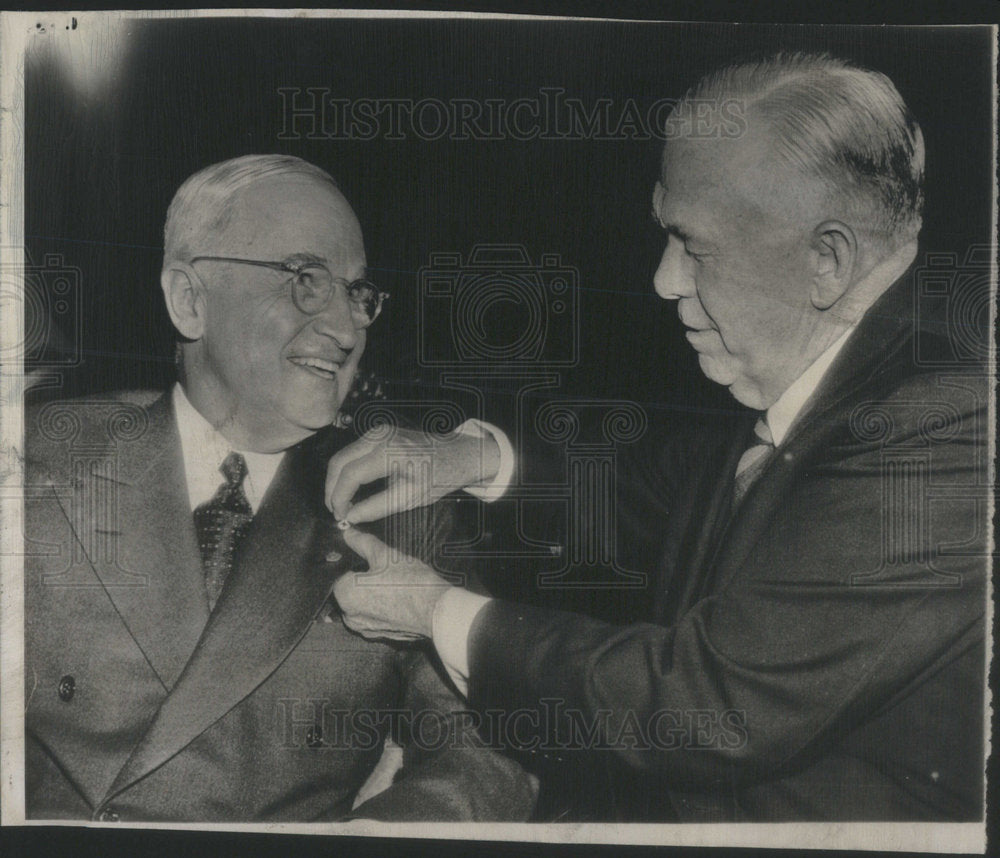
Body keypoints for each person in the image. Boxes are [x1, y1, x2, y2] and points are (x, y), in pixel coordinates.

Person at [326, 54, 988, 821]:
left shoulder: (944, 423)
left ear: (826, 261)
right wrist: (475, 458)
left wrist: (435, 610)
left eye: (694, 247)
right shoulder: (839, 374)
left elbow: (709, 707)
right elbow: (654, 481)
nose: (664, 280)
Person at [23, 154, 536, 822]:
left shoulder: (401, 511)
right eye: (304, 279)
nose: (349, 329)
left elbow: (489, 758)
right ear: (189, 299)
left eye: (357, 293)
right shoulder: (39, 458)